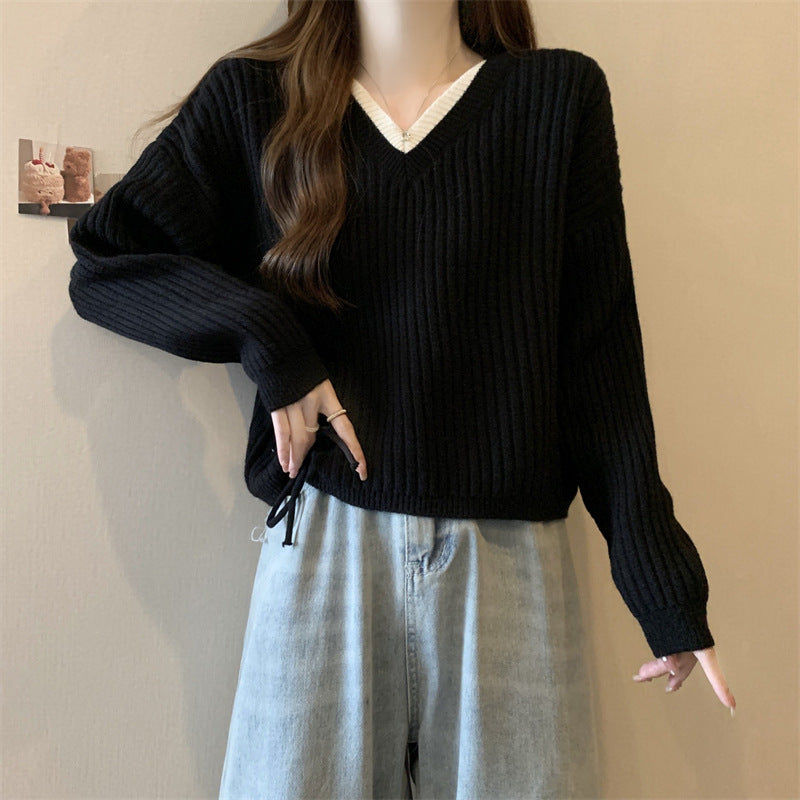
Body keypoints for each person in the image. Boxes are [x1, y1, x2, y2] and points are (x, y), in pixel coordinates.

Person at [67, 0, 736, 797]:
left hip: (510, 566)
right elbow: (107, 259)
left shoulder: (557, 100)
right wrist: (269, 340)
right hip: (326, 547)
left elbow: (600, 361)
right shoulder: (256, 99)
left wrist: (664, 590)